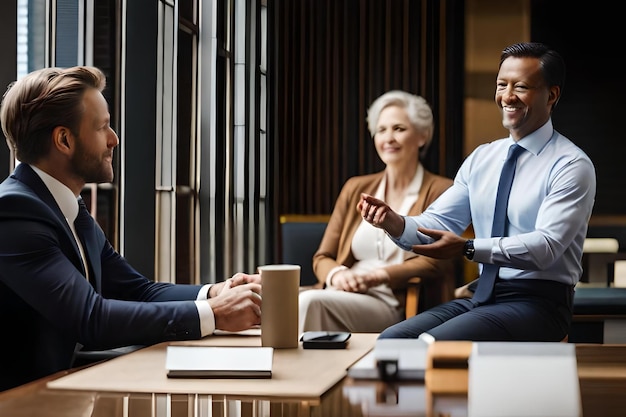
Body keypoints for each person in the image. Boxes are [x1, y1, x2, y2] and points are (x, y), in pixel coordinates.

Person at [0, 66, 262, 391]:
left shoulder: (66, 206)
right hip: (24, 403)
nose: (115, 139)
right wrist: (212, 313)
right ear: (64, 140)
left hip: (68, 389)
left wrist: (216, 291)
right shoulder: (13, 212)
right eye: (103, 127)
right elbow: (91, 318)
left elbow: (138, 290)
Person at [358, 42, 596, 342]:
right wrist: (395, 222)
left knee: (430, 348)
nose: (507, 96)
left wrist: (468, 248)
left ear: (552, 95)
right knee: (391, 341)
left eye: (520, 86)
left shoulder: (572, 165)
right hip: (482, 296)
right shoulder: (482, 158)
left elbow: (546, 248)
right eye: (501, 85)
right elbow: (437, 224)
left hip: (539, 304)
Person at [299, 90, 456, 333]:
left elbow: (436, 263)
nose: (388, 138)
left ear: (422, 136)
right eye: (381, 130)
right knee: (287, 302)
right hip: (341, 292)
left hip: (393, 301)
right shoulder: (356, 188)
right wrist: (339, 275)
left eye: (399, 129)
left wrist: (377, 276)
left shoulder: (441, 189)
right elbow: (322, 257)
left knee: (309, 302)